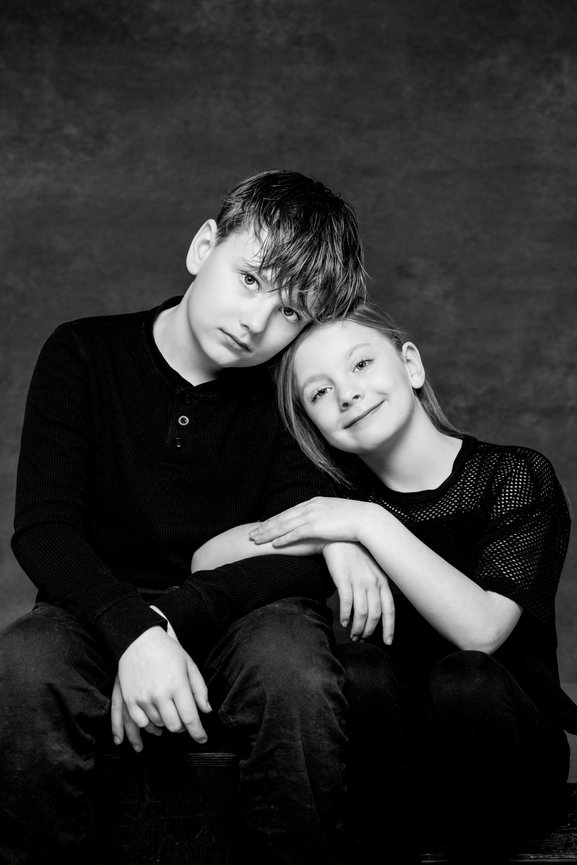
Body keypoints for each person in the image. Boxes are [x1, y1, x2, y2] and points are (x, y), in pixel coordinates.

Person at [0, 169, 374, 865]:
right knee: (24, 664)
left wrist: (169, 620)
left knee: (293, 667)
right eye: (252, 280)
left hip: (246, 613)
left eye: (290, 312)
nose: (257, 322)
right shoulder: (83, 352)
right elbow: (44, 529)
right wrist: (133, 631)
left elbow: (293, 550)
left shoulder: (294, 394)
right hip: (95, 606)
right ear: (204, 246)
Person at [236, 302, 577, 863]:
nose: (346, 394)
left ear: (411, 366)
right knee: (359, 669)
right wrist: (334, 539)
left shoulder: (514, 476)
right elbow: (208, 558)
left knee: (463, 678)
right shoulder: (339, 507)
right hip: (396, 775)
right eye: (319, 393)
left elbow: (482, 631)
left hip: (509, 756)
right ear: (313, 425)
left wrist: (371, 525)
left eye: (362, 365)